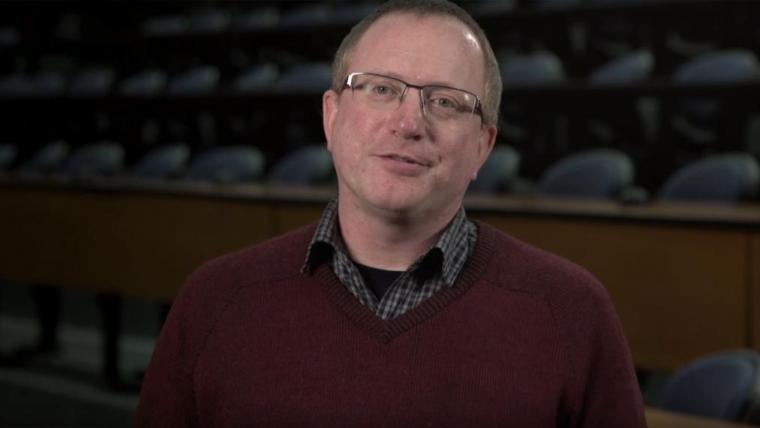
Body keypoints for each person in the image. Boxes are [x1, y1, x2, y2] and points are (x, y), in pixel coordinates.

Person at [135, 0, 647, 426]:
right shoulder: (217, 299)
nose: (409, 123)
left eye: (445, 102)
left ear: (483, 147)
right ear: (331, 117)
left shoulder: (571, 311)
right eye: (381, 89)